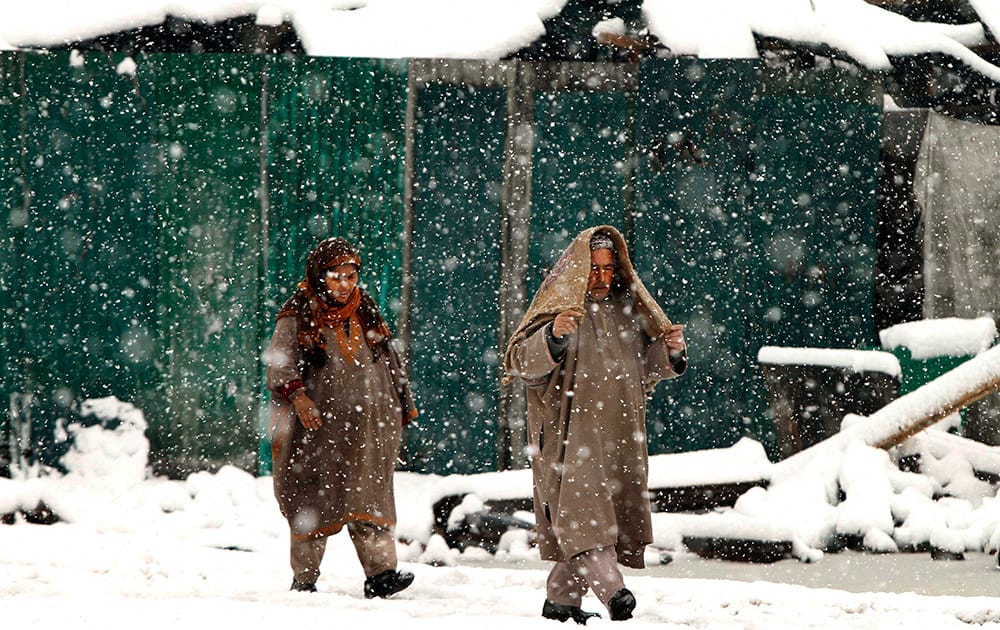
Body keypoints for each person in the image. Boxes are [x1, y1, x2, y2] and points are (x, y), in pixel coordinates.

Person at [504, 226, 687, 623]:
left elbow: (640, 370)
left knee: (605, 520)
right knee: (585, 518)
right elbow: (521, 362)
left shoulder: (625, 310)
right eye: (592, 269)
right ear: (576, 270)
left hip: (619, 436)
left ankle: (562, 597)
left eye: (607, 269)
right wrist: (553, 337)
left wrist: (667, 353)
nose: (601, 278)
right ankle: (614, 592)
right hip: (569, 438)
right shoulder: (558, 312)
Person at [266, 237, 418, 598]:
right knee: (313, 500)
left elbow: (389, 359)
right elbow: (280, 365)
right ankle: (304, 579)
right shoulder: (298, 314)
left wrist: (401, 402)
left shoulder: (364, 308)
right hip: (319, 429)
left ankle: (381, 575)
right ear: (320, 276)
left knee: (369, 499)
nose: (345, 284)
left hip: (368, 426)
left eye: (351, 275)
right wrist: (299, 398)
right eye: (336, 276)